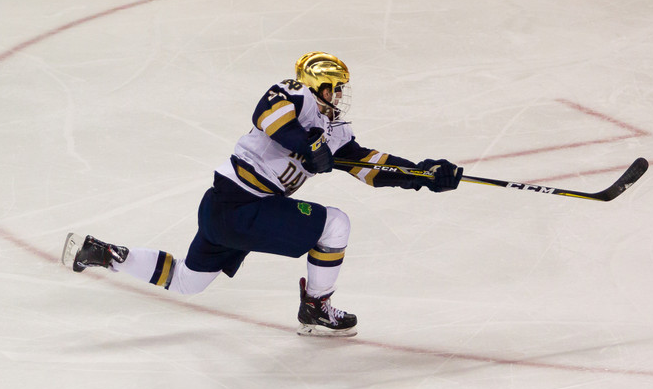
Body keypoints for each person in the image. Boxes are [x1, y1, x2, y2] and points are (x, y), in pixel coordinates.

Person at [61, 52, 462, 337]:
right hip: (240, 206)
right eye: (336, 89)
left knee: (187, 282)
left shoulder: (334, 132)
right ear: (319, 85)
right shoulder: (295, 95)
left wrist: (421, 174)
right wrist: (308, 146)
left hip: (225, 208)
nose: (339, 97)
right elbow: (268, 118)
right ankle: (316, 308)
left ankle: (103, 252)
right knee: (334, 225)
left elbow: (369, 166)